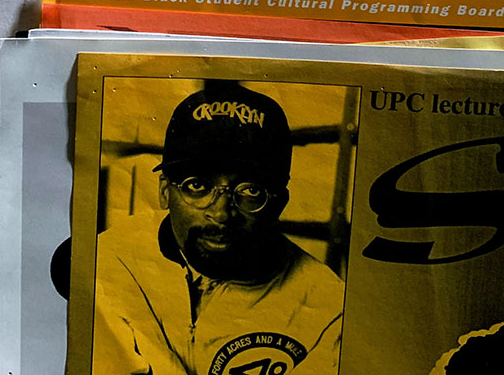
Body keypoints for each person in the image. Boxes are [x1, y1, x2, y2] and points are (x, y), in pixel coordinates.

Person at [92, 82, 346, 375]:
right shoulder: (110, 259)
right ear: (165, 192)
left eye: (250, 190)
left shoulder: (328, 311)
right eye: (197, 186)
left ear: (279, 204)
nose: (221, 213)